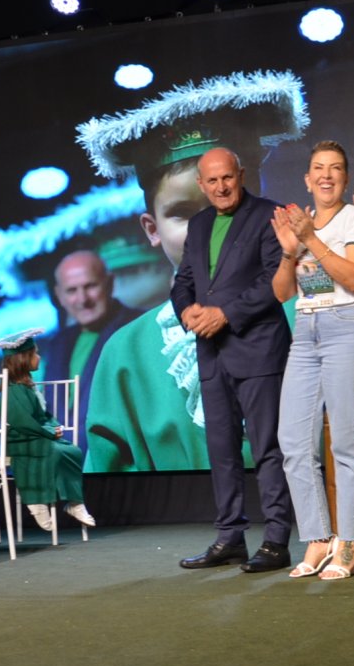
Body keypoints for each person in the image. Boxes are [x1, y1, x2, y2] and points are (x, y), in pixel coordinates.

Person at [78, 70, 309, 474]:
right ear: (152, 229)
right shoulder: (125, 354)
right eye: (184, 214)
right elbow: (112, 491)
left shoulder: (314, 313)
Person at [173, 146, 296, 572]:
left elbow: (274, 279)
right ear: (201, 184)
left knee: (268, 448)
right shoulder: (199, 224)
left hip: (258, 349)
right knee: (222, 450)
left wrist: (225, 314)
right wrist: (186, 310)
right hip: (211, 353)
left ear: (240, 175)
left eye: (227, 177)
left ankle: (277, 541)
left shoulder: (269, 214)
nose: (221, 187)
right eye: (212, 180)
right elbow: (184, 281)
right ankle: (230, 537)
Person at [269, 142, 354, 580]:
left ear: (345, 178)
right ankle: (317, 537)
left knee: (346, 444)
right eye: (318, 168)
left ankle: (349, 543)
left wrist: (311, 238)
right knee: (294, 442)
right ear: (307, 180)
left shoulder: (352, 219)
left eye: (335, 169)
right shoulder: (299, 225)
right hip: (305, 331)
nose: (326, 175)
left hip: (345, 326)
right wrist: (289, 250)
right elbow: (282, 292)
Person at [0, 330, 96, 532]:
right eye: (35, 354)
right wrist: (49, 432)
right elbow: (22, 422)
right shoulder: (12, 389)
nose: (39, 357)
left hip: (36, 436)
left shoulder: (28, 386)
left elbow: (42, 415)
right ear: (23, 359)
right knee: (55, 451)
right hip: (21, 439)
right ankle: (36, 501)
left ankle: (74, 502)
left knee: (72, 450)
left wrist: (54, 426)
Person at [37, 250, 140, 451]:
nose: (82, 299)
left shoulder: (138, 329)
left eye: (90, 286)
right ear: (59, 295)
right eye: (71, 290)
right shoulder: (58, 344)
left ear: (110, 283)